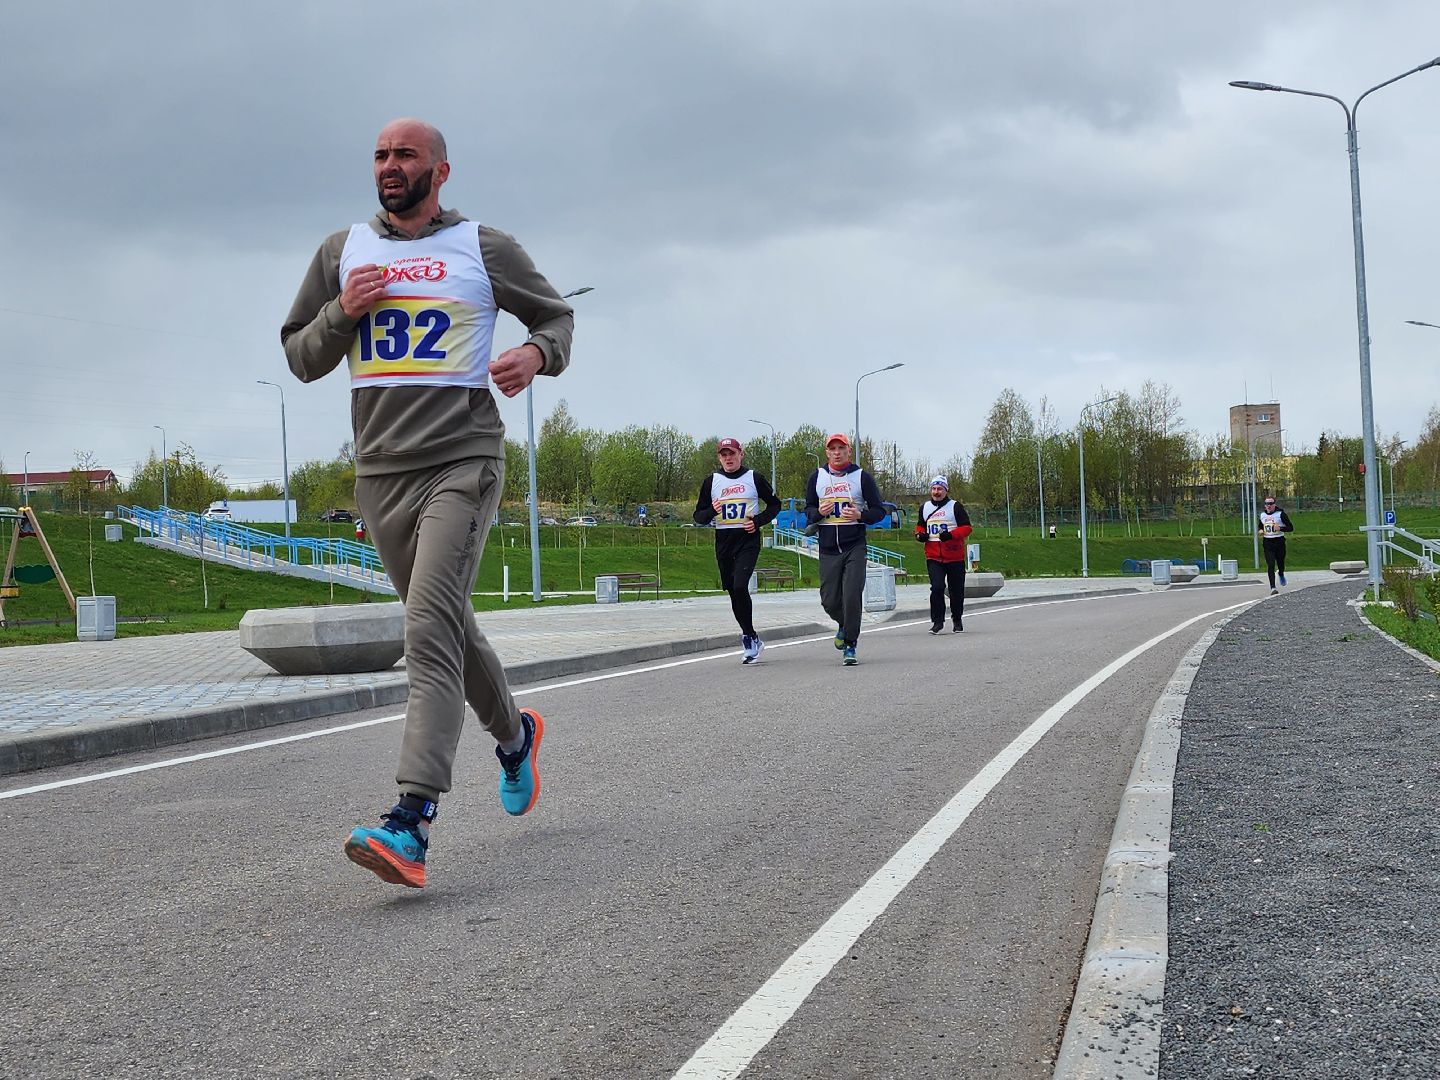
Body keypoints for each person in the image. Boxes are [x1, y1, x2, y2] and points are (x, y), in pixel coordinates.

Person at [280, 118, 574, 889]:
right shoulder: (342, 252)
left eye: (405, 155)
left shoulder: (484, 247)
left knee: (426, 628)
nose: (389, 166)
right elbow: (300, 356)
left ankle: (410, 821)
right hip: (379, 474)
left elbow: (556, 316)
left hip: (462, 460)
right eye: (380, 154)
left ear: (440, 171)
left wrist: (535, 353)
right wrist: (342, 310)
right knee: (446, 622)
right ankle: (515, 736)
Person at [692, 437, 781, 663]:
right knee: (733, 590)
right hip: (724, 541)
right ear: (719, 458)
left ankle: (748, 640)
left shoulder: (754, 478)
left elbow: (775, 504)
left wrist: (758, 521)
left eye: (732, 453)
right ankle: (750, 635)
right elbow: (698, 517)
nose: (728, 458)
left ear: (741, 454)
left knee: (741, 584)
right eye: (724, 454)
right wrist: (712, 510)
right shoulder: (712, 482)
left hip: (747, 539)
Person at [804, 433, 887, 666]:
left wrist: (861, 515)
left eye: (841, 448)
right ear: (827, 453)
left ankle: (850, 644)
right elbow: (808, 510)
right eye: (833, 449)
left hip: (854, 546)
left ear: (849, 451)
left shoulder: (862, 478)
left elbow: (880, 511)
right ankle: (844, 625)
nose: (837, 452)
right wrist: (818, 513)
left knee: (852, 596)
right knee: (829, 601)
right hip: (828, 547)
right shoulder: (817, 478)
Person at [915, 475, 972, 633]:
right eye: (934, 489)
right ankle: (937, 622)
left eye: (939, 489)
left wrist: (951, 535)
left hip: (954, 556)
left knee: (956, 590)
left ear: (946, 490)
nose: (936, 492)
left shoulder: (955, 507)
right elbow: (920, 527)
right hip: (934, 556)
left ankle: (957, 619)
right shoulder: (925, 507)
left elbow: (967, 528)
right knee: (937, 588)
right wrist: (920, 535)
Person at [1258, 495, 1294, 595]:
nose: (1268, 506)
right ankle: (1273, 588)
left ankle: (1281, 573)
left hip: (1279, 542)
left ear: (1274, 505)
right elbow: (1260, 526)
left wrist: (1281, 528)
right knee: (1270, 564)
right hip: (1268, 542)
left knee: (1280, 562)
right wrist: (1260, 530)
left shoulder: (1280, 514)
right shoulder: (1262, 515)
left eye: (1270, 504)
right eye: (1266, 504)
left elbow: (1291, 528)